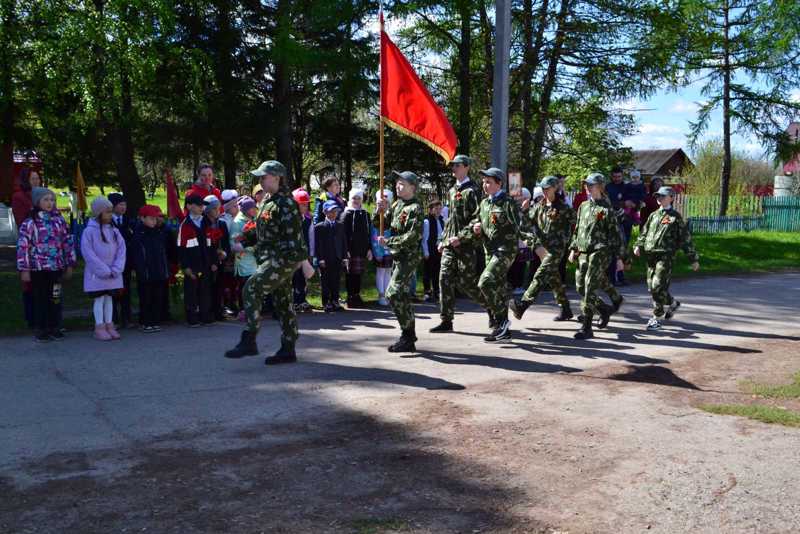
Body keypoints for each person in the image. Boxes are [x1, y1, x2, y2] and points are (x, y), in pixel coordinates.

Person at [224, 160, 308, 364]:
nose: (261, 180)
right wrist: (246, 237)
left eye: (264, 176)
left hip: (281, 259)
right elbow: (265, 230)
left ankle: (249, 339)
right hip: (271, 258)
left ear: (277, 177)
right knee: (283, 304)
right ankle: (288, 349)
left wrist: (293, 263)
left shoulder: (286, 203)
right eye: (260, 177)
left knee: (251, 288)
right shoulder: (268, 201)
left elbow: (293, 238)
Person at [452, 168, 520, 342]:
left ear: (499, 183)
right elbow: (476, 222)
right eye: (483, 181)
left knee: (485, 281)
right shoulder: (484, 204)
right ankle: (502, 330)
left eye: (489, 182)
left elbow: (522, 226)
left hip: (505, 251)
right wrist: (463, 235)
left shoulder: (508, 203)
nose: (485, 185)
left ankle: (502, 321)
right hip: (489, 251)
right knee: (498, 288)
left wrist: (537, 246)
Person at [429, 154, 486, 333]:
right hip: (450, 243)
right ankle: (446, 320)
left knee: (467, 283)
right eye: (453, 166)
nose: (454, 168)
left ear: (467, 167)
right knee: (444, 279)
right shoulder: (453, 190)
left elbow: (478, 218)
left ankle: (493, 309)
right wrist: (443, 239)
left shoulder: (474, 190)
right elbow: (451, 219)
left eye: (458, 166)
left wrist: (460, 238)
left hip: (466, 243)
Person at [509, 176, 576, 322]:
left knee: (540, 275)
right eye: (543, 188)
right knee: (554, 279)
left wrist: (572, 244)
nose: (545, 191)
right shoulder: (539, 206)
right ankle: (566, 309)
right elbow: (525, 226)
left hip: (556, 249)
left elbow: (577, 225)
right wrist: (525, 211)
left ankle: (523, 305)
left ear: (555, 188)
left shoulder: (563, 208)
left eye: (548, 188)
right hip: (542, 248)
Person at [568, 173, 625, 340]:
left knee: (590, 285)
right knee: (580, 287)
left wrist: (620, 258)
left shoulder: (606, 209)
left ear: (600, 186)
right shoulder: (583, 206)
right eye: (586, 185)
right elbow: (578, 229)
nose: (587, 188)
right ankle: (606, 308)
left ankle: (586, 326)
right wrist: (573, 248)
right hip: (583, 251)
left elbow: (616, 235)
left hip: (601, 252)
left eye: (591, 185)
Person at [634, 186, 700, 330]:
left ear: (671, 197)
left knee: (657, 286)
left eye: (663, 196)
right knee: (653, 288)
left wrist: (693, 258)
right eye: (658, 196)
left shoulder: (675, 217)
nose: (659, 199)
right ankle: (673, 303)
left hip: (665, 257)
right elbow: (644, 232)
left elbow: (685, 239)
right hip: (651, 256)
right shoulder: (654, 215)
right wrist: (638, 245)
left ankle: (656, 317)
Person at [16, 187, 76, 343]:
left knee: (55, 297)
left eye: (52, 200)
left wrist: (69, 264)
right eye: (46, 200)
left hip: (56, 268)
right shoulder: (30, 222)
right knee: (40, 298)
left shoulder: (59, 221)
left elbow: (67, 242)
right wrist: (25, 269)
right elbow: (23, 246)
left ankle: (55, 326)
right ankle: (41, 328)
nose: (50, 203)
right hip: (39, 268)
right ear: (37, 202)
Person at [375, 171, 424, 353]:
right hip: (398, 256)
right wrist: (380, 210)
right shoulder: (397, 205)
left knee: (393, 293)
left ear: (412, 187)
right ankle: (408, 336)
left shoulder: (416, 208)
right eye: (397, 183)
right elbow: (383, 223)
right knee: (400, 296)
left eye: (402, 184)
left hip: (408, 257)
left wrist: (389, 242)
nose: (397, 186)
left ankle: (407, 335)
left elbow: (412, 236)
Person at [81, 196, 127, 341]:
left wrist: (117, 267)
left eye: (110, 212)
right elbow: (88, 253)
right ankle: (99, 326)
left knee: (109, 299)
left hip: (113, 272)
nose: (110, 215)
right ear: (98, 213)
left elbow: (121, 249)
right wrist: (103, 270)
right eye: (107, 212)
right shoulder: (89, 231)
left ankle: (109, 325)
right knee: (99, 299)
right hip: (98, 274)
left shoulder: (114, 230)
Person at [130, 205, 170, 333]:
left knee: (157, 297)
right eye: (151, 218)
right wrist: (138, 270)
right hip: (145, 272)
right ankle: (146, 322)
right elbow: (136, 255)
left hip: (158, 270)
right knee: (146, 298)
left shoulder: (158, 233)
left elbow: (162, 252)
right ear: (142, 218)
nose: (154, 221)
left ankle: (155, 321)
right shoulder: (138, 234)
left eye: (155, 218)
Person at [178, 195, 216, 326]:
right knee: (192, 291)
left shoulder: (206, 222)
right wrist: (186, 267)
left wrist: (213, 262)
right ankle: (192, 317)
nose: (202, 207)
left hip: (205, 262)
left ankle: (205, 315)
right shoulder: (185, 225)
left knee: (205, 290)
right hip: (192, 265)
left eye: (203, 205)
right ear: (189, 206)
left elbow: (211, 244)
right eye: (198, 205)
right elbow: (181, 248)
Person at [12, 168, 42, 327]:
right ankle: (32, 318)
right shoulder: (19, 197)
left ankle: (45, 318)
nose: (36, 181)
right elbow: (21, 221)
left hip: (45, 246)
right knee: (30, 284)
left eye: (38, 178)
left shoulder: (43, 195)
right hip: (29, 243)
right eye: (33, 179)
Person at [229, 195, 260, 320]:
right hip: (243, 260)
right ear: (246, 209)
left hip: (254, 259)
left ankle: (253, 310)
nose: (254, 210)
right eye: (252, 208)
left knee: (254, 286)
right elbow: (234, 244)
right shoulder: (237, 222)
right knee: (245, 286)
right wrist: (250, 248)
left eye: (254, 207)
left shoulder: (254, 220)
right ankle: (243, 310)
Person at [314, 200, 346, 312]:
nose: (333, 214)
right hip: (325, 258)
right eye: (330, 211)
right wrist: (320, 258)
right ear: (325, 212)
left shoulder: (340, 225)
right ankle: (326, 302)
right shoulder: (320, 227)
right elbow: (318, 245)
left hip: (337, 257)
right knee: (325, 281)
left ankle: (335, 301)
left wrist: (344, 257)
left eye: (335, 211)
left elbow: (343, 242)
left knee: (336, 280)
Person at [108, 192, 134, 328]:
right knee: (112, 291)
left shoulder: (128, 221)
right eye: (120, 205)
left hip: (126, 262)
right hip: (112, 262)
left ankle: (127, 318)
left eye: (125, 204)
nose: (123, 207)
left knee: (126, 290)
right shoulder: (108, 222)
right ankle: (114, 319)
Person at [203, 195, 231, 321]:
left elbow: (226, 243)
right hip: (209, 262)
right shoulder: (203, 224)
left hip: (220, 260)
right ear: (207, 210)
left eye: (218, 208)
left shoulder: (222, 224)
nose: (217, 211)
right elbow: (205, 245)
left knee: (219, 286)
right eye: (214, 209)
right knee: (208, 287)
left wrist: (224, 254)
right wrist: (212, 259)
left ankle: (219, 311)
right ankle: (208, 312)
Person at [343, 189, 372, 308]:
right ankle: (350, 297)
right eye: (354, 198)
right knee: (350, 274)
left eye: (359, 198)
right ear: (350, 199)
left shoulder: (366, 214)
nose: (356, 200)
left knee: (358, 274)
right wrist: (346, 249)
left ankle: (356, 295)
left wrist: (369, 248)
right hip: (351, 249)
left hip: (362, 249)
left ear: (362, 200)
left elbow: (368, 233)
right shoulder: (346, 214)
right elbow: (343, 234)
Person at [292, 188, 314, 313]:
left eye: (306, 204)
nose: (305, 207)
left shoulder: (308, 220)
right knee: (294, 277)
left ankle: (302, 300)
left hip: (304, 254)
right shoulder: (291, 219)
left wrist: (311, 254)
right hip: (293, 254)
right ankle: (294, 300)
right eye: (302, 204)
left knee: (303, 277)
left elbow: (311, 238)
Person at [371, 188, 394, 306]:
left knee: (388, 271)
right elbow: (374, 234)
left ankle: (387, 293)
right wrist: (377, 252)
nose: (384, 205)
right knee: (380, 271)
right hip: (380, 249)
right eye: (382, 203)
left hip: (390, 248)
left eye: (386, 203)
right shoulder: (376, 216)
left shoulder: (392, 215)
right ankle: (381, 294)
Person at [219, 189, 240, 317]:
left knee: (236, 281)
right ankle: (227, 304)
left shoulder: (239, 218)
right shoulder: (224, 221)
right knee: (228, 281)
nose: (236, 207)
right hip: (228, 256)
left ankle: (235, 302)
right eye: (234, 205)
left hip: (238, 255)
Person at [422, 200, 444, 303]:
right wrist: (426, 252)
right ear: (430, 210)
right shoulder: (427, 221)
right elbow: (425, 238)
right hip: (430, 249)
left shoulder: (441, 220)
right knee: (427, 271)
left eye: (440, 208)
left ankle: (436, 290)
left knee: (437, 271)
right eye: (436, 209)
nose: (439, 211)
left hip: (439, 249)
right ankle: (427, 292)